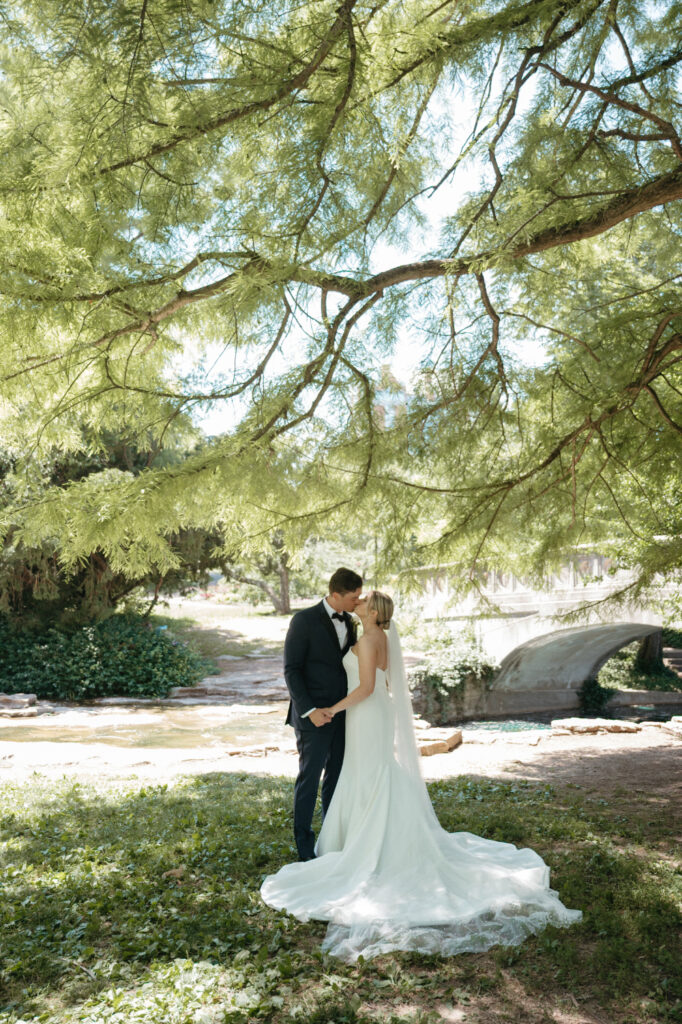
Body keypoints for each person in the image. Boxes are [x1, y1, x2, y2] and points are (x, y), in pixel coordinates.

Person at [262, 591, 582, 962]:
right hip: (372, 713)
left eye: (364, 601)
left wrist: (331, 708)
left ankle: (369, 846)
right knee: (369, 773)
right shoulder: (376, 636)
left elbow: (365, 689)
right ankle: (360, 837)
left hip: (365, 712)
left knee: (371, 773)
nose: (358, 603)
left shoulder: (368, 640)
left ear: (375, 611)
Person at [283, 567, 362, 862]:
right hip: (312, 716)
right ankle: (304, 846)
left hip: (343, 713)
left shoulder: (352, 622)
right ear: (335, 595)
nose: (358, 601)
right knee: (309, 779)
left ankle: (330, 840)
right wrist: (310, 711)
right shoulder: (303, 620)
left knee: (337, 777)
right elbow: (291, 670)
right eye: (354, 597)